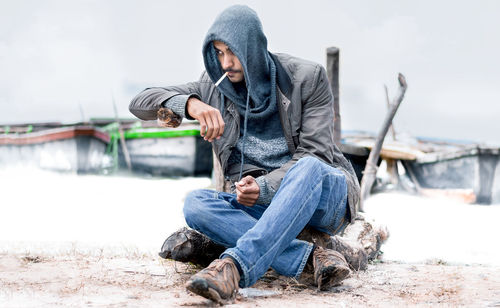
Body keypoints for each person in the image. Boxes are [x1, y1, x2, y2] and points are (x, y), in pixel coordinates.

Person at [129, 5, 360, 303]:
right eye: (219, 52)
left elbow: (315, 154)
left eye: (233, 52)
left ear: (253, 46)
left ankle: (234, 267)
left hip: (322, 196)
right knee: (196, 204)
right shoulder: (214, 87)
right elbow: (139, 102)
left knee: (309, 169)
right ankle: (307, 257)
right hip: (263, 205)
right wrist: (190, 105)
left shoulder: (307, 77)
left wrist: (264, 188)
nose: (226, 63)